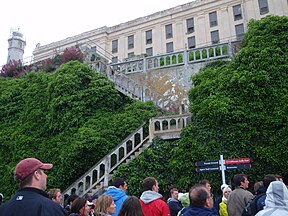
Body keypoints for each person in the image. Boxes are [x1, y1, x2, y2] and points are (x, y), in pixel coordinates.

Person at [0, 157, 66, 216]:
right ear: (36, 174)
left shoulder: (3, 209)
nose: (46, 176)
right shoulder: (50, 208)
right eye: (44, 172)